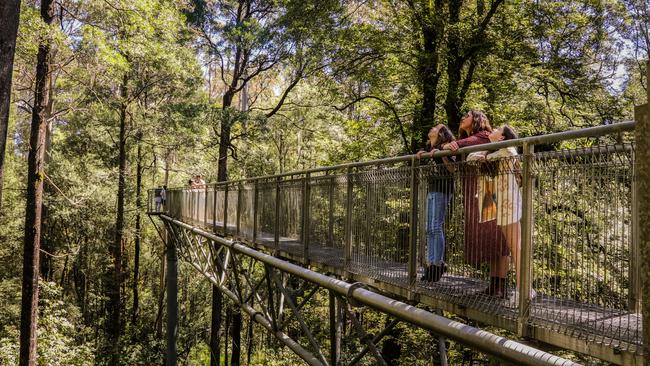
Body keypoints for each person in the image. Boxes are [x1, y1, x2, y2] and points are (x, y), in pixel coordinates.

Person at [442, 110, 509, 298]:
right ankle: (494, 284)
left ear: (477, 120)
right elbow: (455, 167)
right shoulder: (469, 140)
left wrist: (454, 144)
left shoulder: (483, 136)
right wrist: (446, 152)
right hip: (474, 192)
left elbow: (474, 142)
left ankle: (501, 286)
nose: (463, 117)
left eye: (467, 115)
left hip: (489, 190)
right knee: (488, 238)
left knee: (497, 238)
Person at [472, 125, 535, 302]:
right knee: (513, 246)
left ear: (502, 137)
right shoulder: (492, 150)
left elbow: (509, 153)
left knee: (517, 247)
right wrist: (483, 155)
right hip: (500, 203)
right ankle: (524, 289)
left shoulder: (507, 148)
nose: (494, 129)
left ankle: (525, 290)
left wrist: (484, 156)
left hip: (510, 202)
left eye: (498, 129)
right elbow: (470, 157)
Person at [415, 124, 456, 282]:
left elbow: (453, 169)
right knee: (428, 228)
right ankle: (431, 264)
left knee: (435, 226)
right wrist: (423, 154)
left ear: (441, 133)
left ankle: (437, 265)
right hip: (432, 190)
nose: (431, 129)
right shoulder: (429, 148)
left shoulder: (444, 147)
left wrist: (441, 154)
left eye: (435, 128)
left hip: (443, 189)